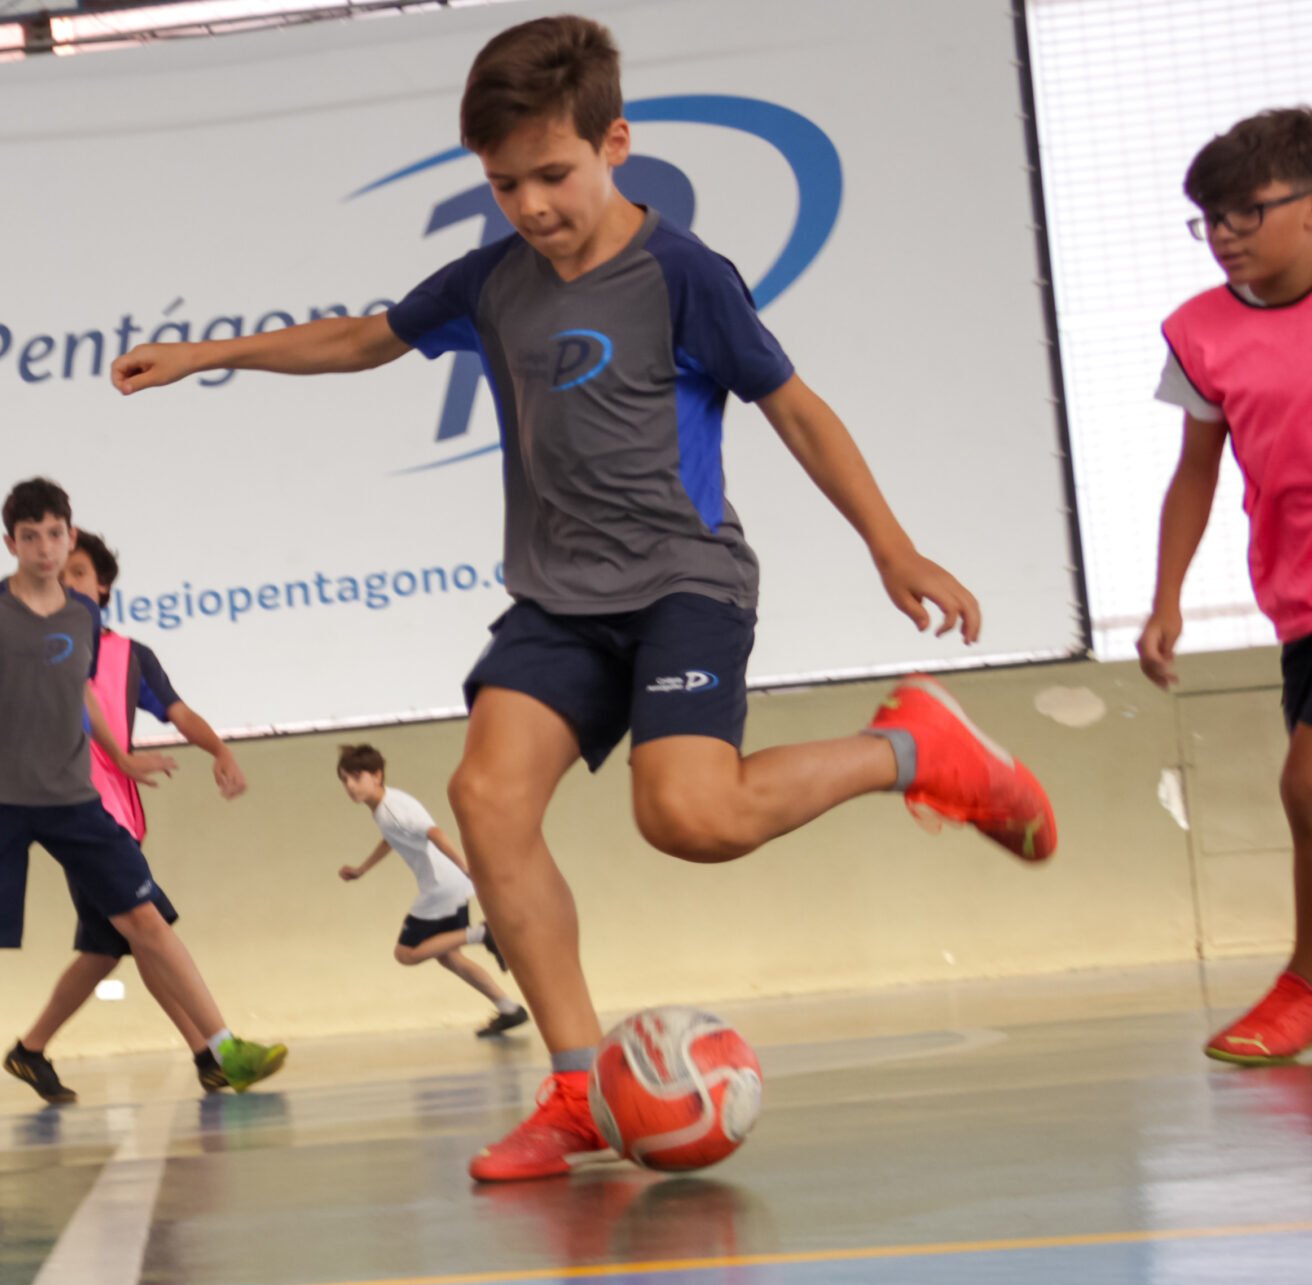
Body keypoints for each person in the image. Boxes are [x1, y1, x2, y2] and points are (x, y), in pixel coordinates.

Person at [113, 14, 1055, 1181]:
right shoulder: (492, 280)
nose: (532, 206)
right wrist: (212, 354)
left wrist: (891, 546)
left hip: (683, 579)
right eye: (503, 184)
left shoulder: (682, 276)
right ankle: (569, 1089)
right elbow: (364, 338)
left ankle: (906, 747)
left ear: (614, 143)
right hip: (556, 599)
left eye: (552, 175)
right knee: (485, 797)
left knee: (689, 819)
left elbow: (797, 410)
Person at [0, 477, 287, 1119]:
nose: (46, 548)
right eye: (31, 537)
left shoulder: (85, 615)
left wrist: (123, 755)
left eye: (55, 534)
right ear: (11, 544)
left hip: (70, 796)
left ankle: (225, 1048)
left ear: (69, 535)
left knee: (145, 922)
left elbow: (81, 691)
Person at [1140, 106, 1312, 1064]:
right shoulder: (1199, 334)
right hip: (1299, 599)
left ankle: (1305, 984)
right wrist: (1166, 598)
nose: (1226, 237)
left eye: (1248, 212)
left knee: (1308, 785)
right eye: (1210, 218)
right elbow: (1197, 471)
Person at [7, 529, 251, 1100]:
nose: (67, 582)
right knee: (149, 927)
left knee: (109, 948)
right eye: (60, 574)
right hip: (77, 813)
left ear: (104, 585)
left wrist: (219, 749)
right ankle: (215, 1052)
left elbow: (178, 711)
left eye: (80, 573)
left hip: (118, 812)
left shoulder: (130, 655)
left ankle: (30, 1050)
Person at [334, 742, 529, 1039]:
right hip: (449, 883)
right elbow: (391, 840)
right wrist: (363, 868)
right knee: (448, 956)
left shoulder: (393, 810)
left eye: (355, 777)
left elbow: (434, 833)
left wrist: (466, 867)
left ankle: (483, 934)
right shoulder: (385, 808)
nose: (349, 786)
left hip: (441, 886)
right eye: (344, 780)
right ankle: (508, 1009)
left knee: (406, 954)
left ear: (377, 775)